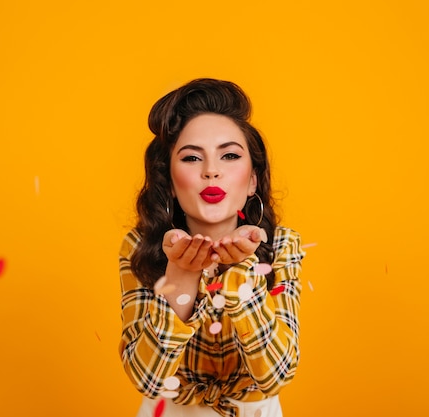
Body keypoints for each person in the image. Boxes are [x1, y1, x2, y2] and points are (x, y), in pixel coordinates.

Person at [119, 78, 306, 417]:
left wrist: (241, 281)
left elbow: (278, 374)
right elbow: (147, 380)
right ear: (170, 182)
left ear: (252, 179)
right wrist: (180, 280)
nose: (211, 171)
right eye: (192, 158)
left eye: (230, 155)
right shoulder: (140, 245)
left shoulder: (282, 245)